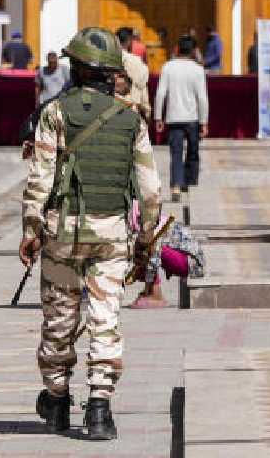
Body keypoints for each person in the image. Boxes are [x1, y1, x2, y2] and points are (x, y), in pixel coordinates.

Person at [19, 27, 161, 441]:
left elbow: (40, 179)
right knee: (104, 317)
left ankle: (58, 401)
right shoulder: (130, 119)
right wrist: (147, 238)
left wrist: (31, 228)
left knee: (60, 318)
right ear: (112, 72)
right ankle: (99, 408)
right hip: (111, 231)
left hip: (62, 230)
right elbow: (150, 191)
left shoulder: (55, 113)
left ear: (77, 68)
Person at [155, 35, 209, 202]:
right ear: (194, 51)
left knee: (176, 153)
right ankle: (189, 180)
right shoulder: (198, 70)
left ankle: (176, 185)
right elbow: (202, 97)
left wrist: (158, 117)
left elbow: (160, 93)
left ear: (177, 49)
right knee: (193, 151)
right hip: (192, 117)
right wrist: (204, 121)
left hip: (173, 117)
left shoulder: (168, 67)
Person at [116, 27, 152, 119]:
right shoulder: (136, 61)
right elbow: (142, 87)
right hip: (131, 110)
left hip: (110, 110)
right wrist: (147, 111)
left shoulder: (106, 60)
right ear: (129, 41)